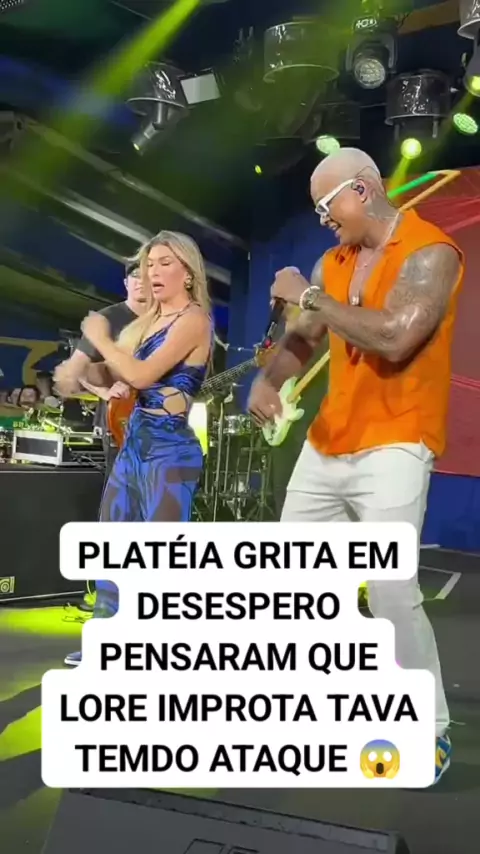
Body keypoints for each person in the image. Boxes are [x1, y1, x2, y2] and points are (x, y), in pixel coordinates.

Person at [248, 147, 464, 783]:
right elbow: (303, 337)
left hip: (397, 440)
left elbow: (396, 337)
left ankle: (429, 729)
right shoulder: (333, 262)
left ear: (363, 192)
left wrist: (311, 296)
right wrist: (269, 380)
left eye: (327, 206)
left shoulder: (431, 252)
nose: (323, 220)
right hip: (327, 441)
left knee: (391, 588)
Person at [65, 230, 212, 666]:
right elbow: (114, 371)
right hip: (134, 442)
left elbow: (142, 375)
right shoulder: (145, 322)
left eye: (165, 263)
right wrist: (83, 369)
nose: (153, 271)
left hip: (169, 450)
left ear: (188, 273)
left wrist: (102, 340)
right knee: (112, 542)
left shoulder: (194, 320)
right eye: (149, 264)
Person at [54, 261, 148, 472]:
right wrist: (105, 392)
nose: (141, 281)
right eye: (135, 276)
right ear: (126, 283)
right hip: (120, 421)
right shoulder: (107, 318)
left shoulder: (166, 319)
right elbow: (75, 369)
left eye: (147, 276)